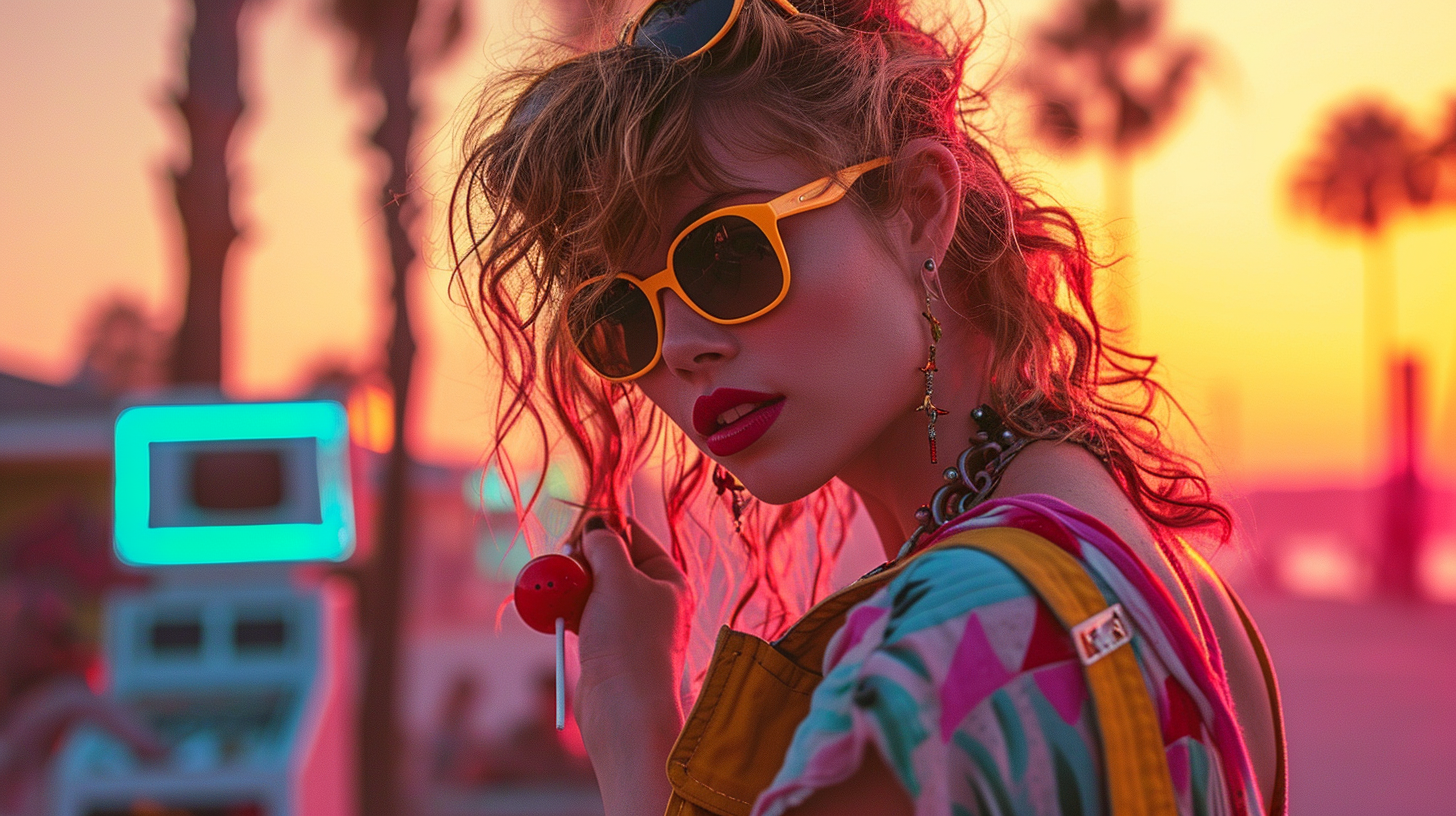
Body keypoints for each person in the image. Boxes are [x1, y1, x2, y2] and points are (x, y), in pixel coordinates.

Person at [449, 0, 1286, 813]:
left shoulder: (936, 655)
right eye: (620, 315)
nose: (677, 347)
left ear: (922, 204)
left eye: (726, 254)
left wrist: (631, 728)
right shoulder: (1181, 585)